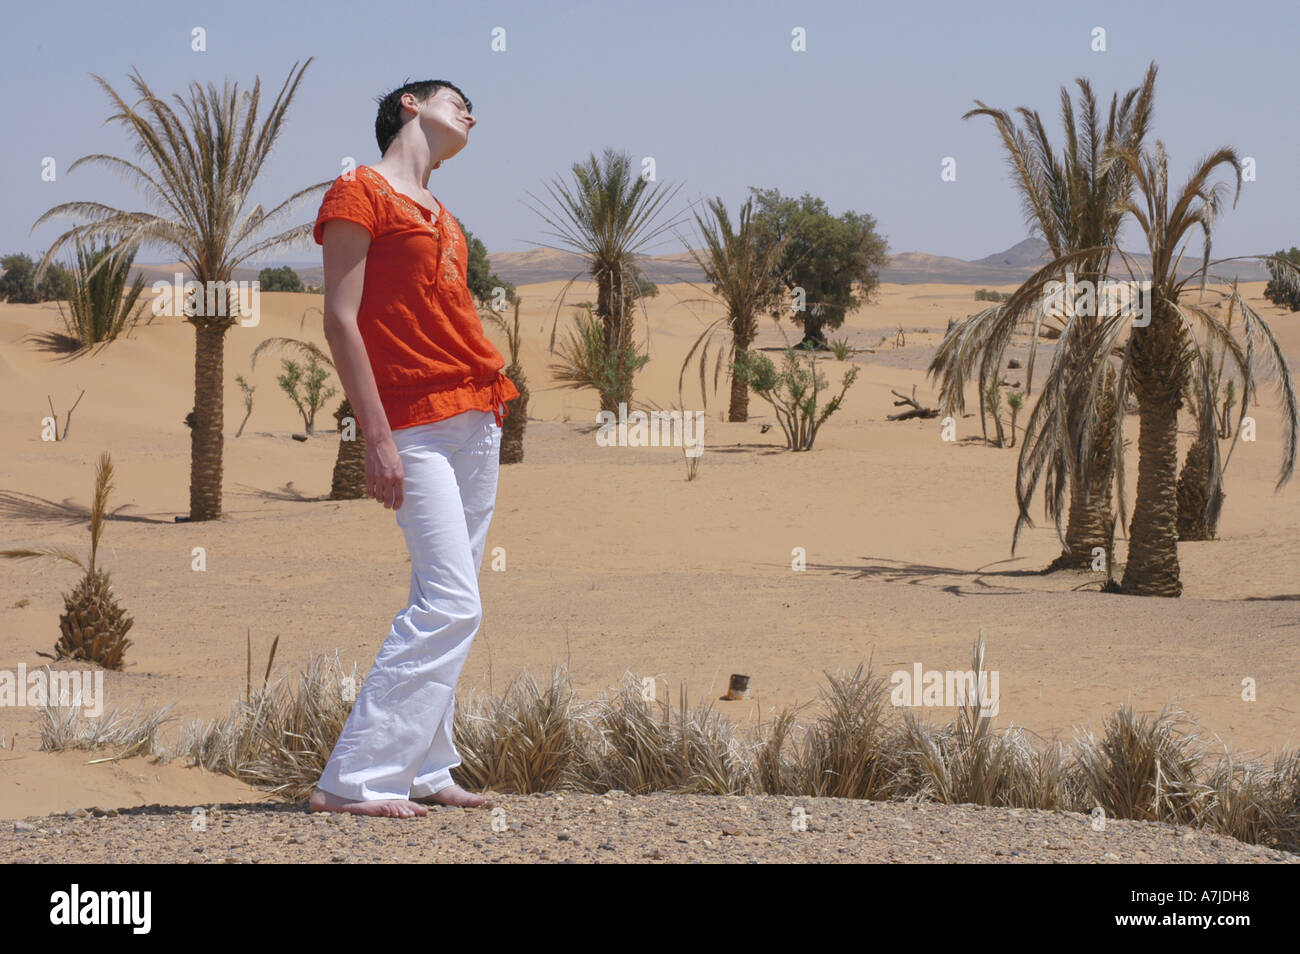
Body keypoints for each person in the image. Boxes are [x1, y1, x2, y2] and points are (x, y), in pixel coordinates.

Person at [308, 79, 519, 818]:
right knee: (451, 602)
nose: (470, 111)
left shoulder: (445, 217)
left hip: (476, 415)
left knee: (450, 597)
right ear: (409, 105)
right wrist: (375, 437)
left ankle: (427, 765)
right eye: (454, 98)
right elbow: (340, 318)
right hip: (414, 424)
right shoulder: (357, 190)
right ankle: (355, 781)